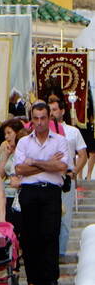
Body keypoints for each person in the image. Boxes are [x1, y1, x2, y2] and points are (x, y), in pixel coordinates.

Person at [14, 101, 67, 285]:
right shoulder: (23, 142)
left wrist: (34, 162)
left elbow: (61, 167)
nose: (39, 122)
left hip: (51, 191)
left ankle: (51, 280)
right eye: (35, 119)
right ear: (31, 120)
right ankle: (34, 281)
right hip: (29, 191)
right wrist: (47, 163)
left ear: (49, 118)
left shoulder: (60, 141)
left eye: (43, 118)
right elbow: (19, 169)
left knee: (50, 234)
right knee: (30, 236)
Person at [47, 92, 87, 256]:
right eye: (50, 110)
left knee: (65, 217)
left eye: (55, 109)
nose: (52, 113)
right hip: (49, 177)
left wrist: (74, 172)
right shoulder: (44, 132)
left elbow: (82, 154)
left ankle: (61, 252)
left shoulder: (72, 132)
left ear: (62, 111)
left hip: (66, 177)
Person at [0, 118, 26, 235]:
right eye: (5, 134)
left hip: (20, 195)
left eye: (9, 133)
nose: (6, 137)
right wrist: (6, 155)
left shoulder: (25, 151)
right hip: (7, 195)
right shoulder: (6, 150)